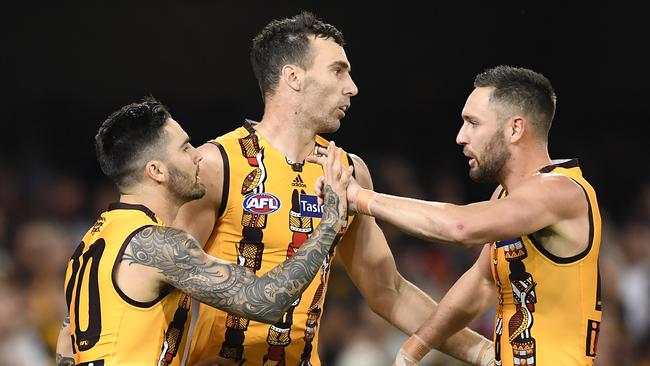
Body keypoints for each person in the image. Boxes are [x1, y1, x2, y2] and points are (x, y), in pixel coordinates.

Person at [175, 11, 493, 366]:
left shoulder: (348, 171)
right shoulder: (217, 165)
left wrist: (483, 352)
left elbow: (388, 291)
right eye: (338, 70)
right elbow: (165, 283)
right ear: (292, 77)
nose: (352, 87)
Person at [310, 65, 603, 365]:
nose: (461, 137)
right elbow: (481, 283)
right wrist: (415, 348)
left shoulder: (561, 191)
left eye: (473, 123)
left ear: (515, 128)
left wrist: (358, 196)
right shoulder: (506, 197)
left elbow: (461, 226)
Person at [55, 97, 351, 366]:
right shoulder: (158, 244)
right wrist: (329, 223)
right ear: (156, 171)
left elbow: (67, 346)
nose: (198, 155)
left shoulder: (92, 240)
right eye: (185, 147)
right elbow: (265, 300)